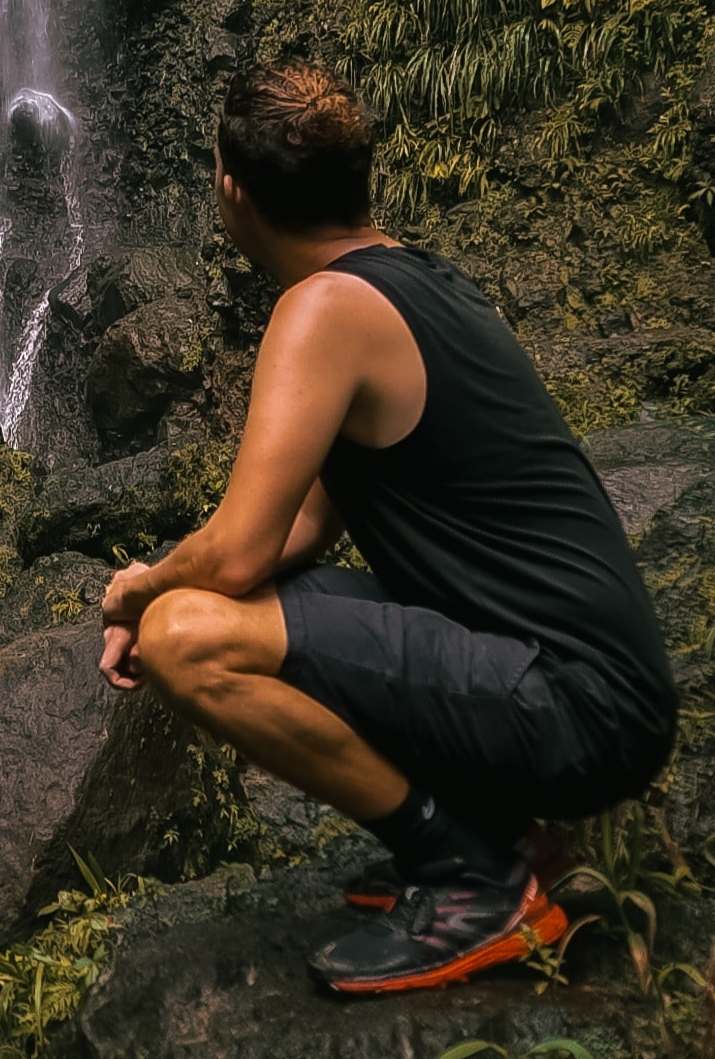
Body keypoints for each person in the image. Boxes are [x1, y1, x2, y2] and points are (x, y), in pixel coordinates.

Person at [97, 61, 678, 994]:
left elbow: (241, 549)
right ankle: (505, 841)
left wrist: (146, 589)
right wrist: (183, 574)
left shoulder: (323, 310)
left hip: (578, 708)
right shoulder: (406, 281)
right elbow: (302, 533)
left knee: (183, 640)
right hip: (584, 687)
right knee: (214, 609)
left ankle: (470, 874)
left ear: (232, 192)